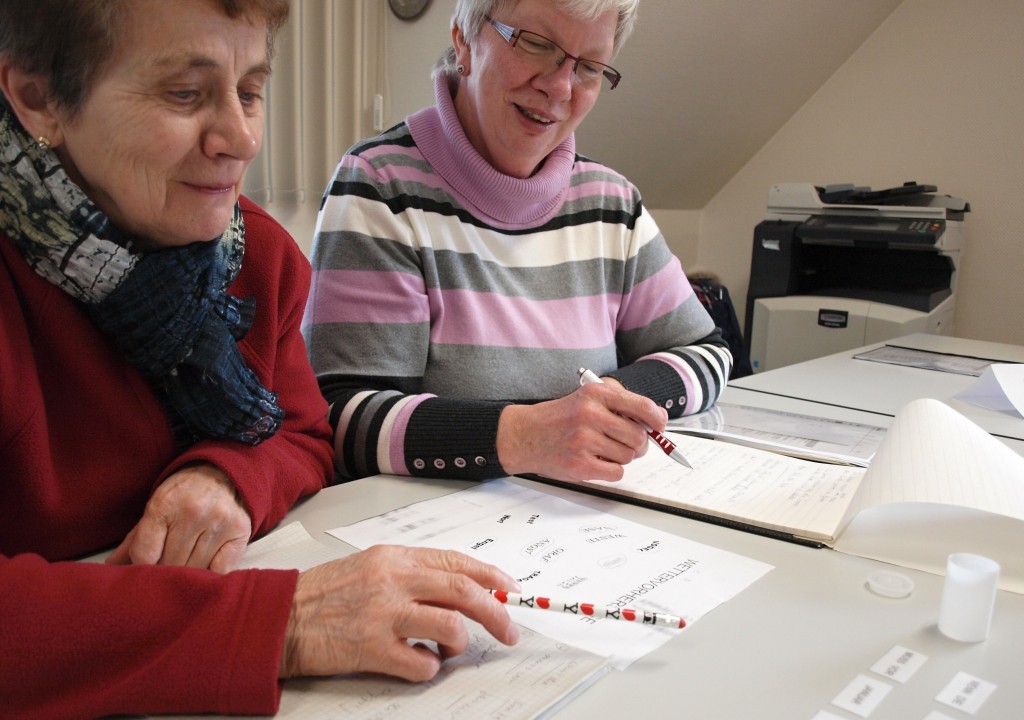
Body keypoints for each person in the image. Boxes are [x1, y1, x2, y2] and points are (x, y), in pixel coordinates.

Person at [0, 1, 519, 717]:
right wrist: (284, 622)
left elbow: (303, 433)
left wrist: (227, 475)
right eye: (185, 93)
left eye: (250, 91)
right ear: (37, 98)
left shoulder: (261, 258)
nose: (241, 139)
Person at [303, 0, 733, 485]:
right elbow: (341, 419)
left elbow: (707, 351)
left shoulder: (612, 202)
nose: (560, 87)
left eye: (589, 67)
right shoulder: (379, 186)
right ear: (464, 39)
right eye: (536, 44)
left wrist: (606, 403)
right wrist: (527, 435)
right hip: (439, 533)